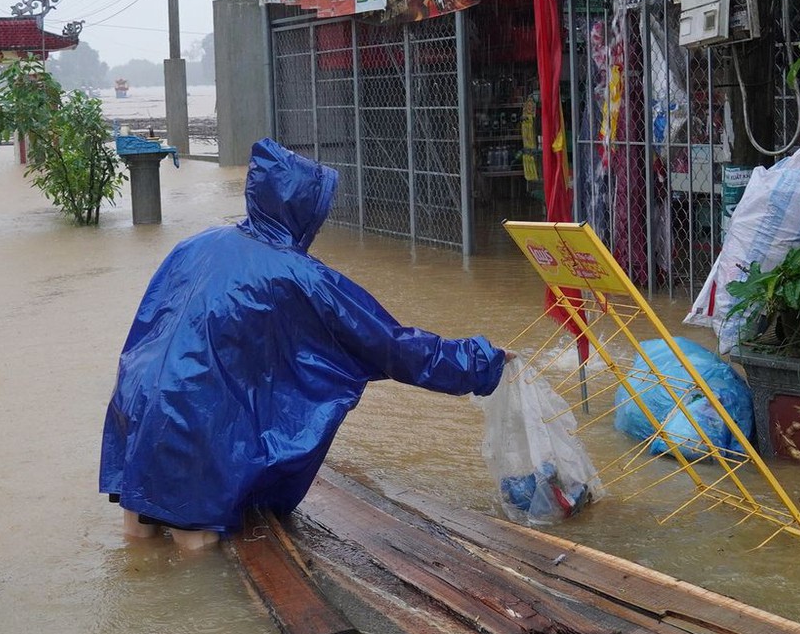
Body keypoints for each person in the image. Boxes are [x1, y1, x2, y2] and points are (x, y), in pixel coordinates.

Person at [100, 138, 507, 550]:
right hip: (196, 420)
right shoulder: (300, 275)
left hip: (134, 399)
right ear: (305, 210)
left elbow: (152, 321)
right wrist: (480, 361)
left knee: (139, 541)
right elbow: (391, 345)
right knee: (198, 554)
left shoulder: (195, 245)